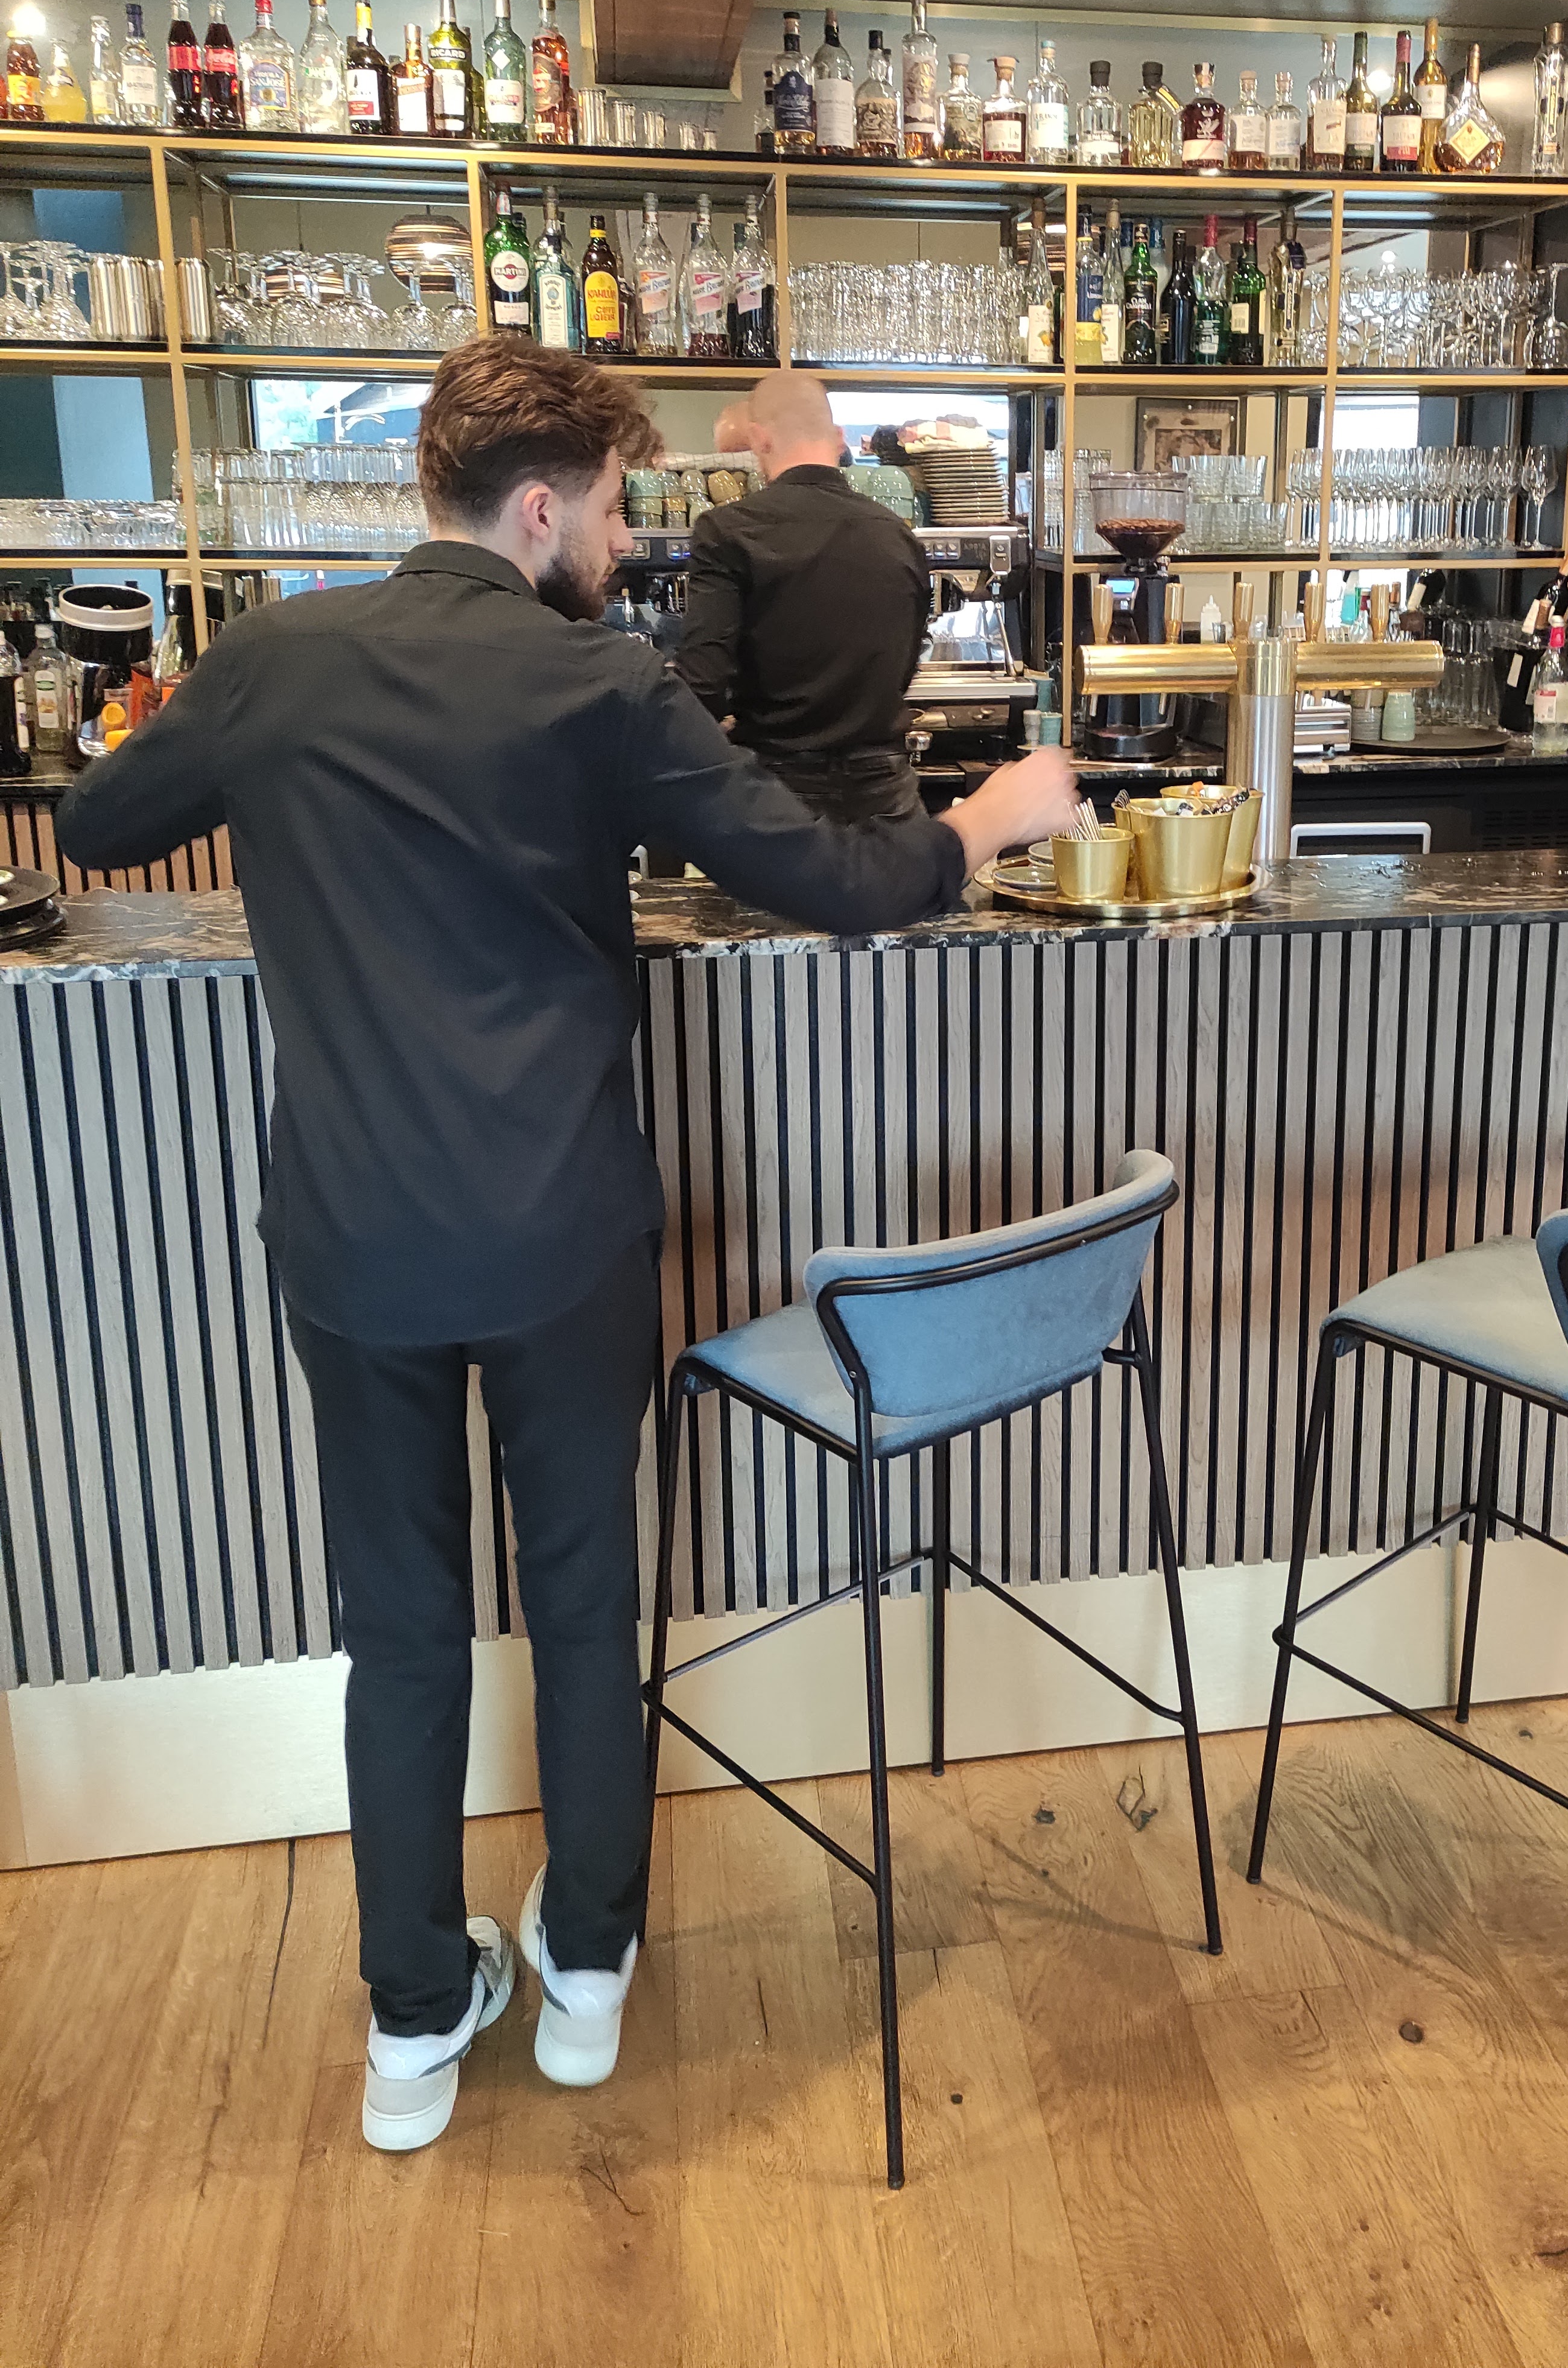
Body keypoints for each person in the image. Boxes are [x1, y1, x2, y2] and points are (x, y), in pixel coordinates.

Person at [56, 337, 1073, 2154]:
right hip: (562, 1232)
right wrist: (985, 821)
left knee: (401, 1630)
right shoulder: (598, 683)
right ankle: (587, 1972)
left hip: (355, 1235)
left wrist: (279, 791)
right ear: (538, 507)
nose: (621, 539)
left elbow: (98, 822)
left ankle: (412, 2027)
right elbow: (829, 880)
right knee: (589, 1599)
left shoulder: (278, 657)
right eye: (609, 508)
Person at [675, 367, 932, 822]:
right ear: (838, 437)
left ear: (760, 440)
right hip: (888, 798)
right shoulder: (898, 535)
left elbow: (703, 684)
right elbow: (906, 663)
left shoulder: (726, 531)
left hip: (780, 802)